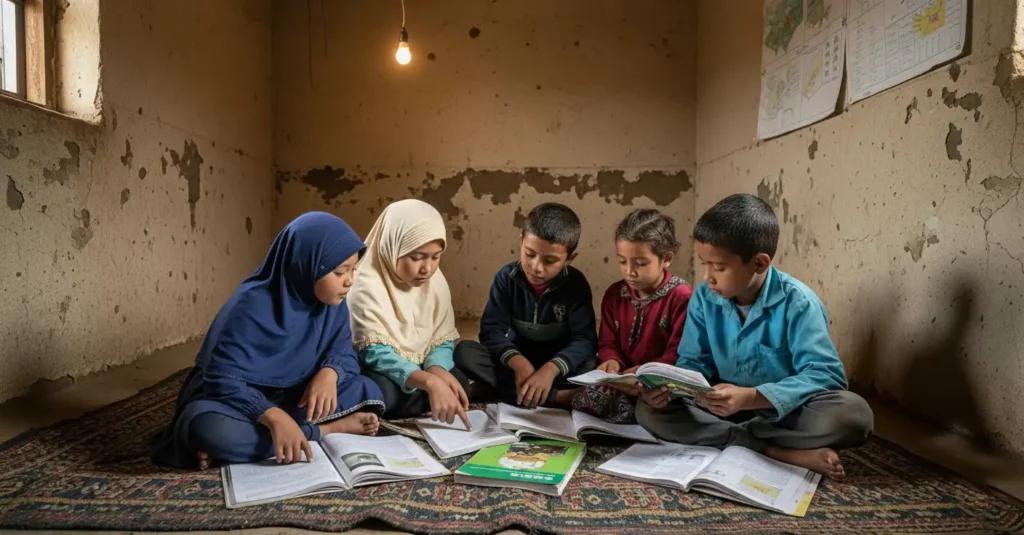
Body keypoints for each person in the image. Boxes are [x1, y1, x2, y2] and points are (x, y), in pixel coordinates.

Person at [636, 194, 873, 480]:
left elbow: (827, 376)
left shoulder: (798, 303)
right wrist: (673, 387)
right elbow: (693, 361)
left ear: (760, 263)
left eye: (719, 267)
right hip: (720, 410)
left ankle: (740, 441)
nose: (707, 276)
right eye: (703, 263)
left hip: (782, 415)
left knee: (854, 415)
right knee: (647, 410)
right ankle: (775, 452)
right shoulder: (703, 298)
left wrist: (751, 397)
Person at [149, 212, 384, 469]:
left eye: (353, 270)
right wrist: (272, 415)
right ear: (305, 265)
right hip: (237, 403)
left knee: (369, 389)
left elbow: (345, 352)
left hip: (295, 396)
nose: (349, 281)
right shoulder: (249, 306)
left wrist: (330, 373)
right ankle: (323, 431)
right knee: (208, 428)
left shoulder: (332, 304)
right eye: (339, 272)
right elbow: (221, 381)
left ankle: (253, 447)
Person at [454, 202, 597, 408]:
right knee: (465, 352)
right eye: (530, 254)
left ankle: (497, 389)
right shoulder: (506, 278)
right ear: (521, 241)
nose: (536, 268)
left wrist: (550, 369)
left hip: (555, 366)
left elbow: (585, 339)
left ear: (569, 258)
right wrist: (518, 363)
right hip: (516, 364)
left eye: (550, 261)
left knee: (591, 364)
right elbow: (491, 331)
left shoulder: (576, 284)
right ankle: (556, 398)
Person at [348, 199, 471, 429]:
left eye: (436, 257)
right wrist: (429, 382)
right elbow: (374, 353)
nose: (427, 268)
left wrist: (436, 369)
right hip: (386, 370)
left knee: (458, 380)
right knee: (382, 393)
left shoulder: (435, 282)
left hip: (422, 370)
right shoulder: (365, 284)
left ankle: (426, 395)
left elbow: (441, 337)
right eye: (416, 257)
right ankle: (426, 397)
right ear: (391, 246)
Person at [572, 208, 692, 423]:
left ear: (666, 258)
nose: (629, 271)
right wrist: (611, 361)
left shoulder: (681, 297)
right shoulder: (615, 294)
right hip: (622, 380)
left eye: (640, 263)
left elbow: (678, 353)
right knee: (586, 394)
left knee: (661, 409)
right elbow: (607, 342)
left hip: (660, 384)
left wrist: (647, 373)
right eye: (622, 261)